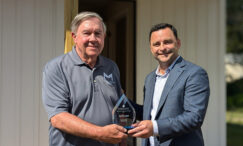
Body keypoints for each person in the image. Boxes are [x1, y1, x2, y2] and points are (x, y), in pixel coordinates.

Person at [42, 11, 128, 146]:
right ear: (74, 37)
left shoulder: (111, 67)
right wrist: (100, 133)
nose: (93, 39)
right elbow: (58, 118)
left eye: (98, 33)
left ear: (104, 37)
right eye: (87, 33)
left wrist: (123, 140)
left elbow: (119, 107)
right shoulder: (57, 67)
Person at [128, 23, 210, 146]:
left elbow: (194, 118)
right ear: (151, 48)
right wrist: (119, 99)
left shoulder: (194, 73)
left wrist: (155, 127)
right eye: (156, 44)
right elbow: (149, 113)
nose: (162, 48)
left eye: (167, 42)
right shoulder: (150, 78)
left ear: (178, 43)